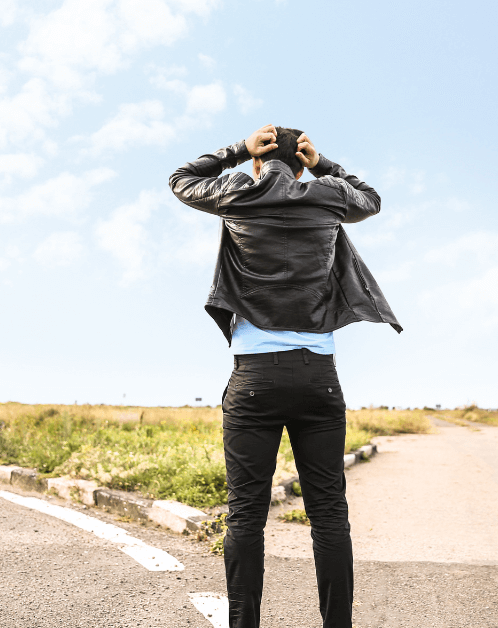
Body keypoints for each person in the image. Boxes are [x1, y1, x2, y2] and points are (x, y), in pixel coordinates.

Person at [169, 124, 401, 628]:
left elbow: (182, 179)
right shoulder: (331, 197)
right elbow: (373, 199)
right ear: (301, 161)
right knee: (329, 516)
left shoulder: (238, 192)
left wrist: (236, 150)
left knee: (246, 515)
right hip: (318, 375)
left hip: (253, 378)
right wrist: (324, 164)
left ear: (258, 161)